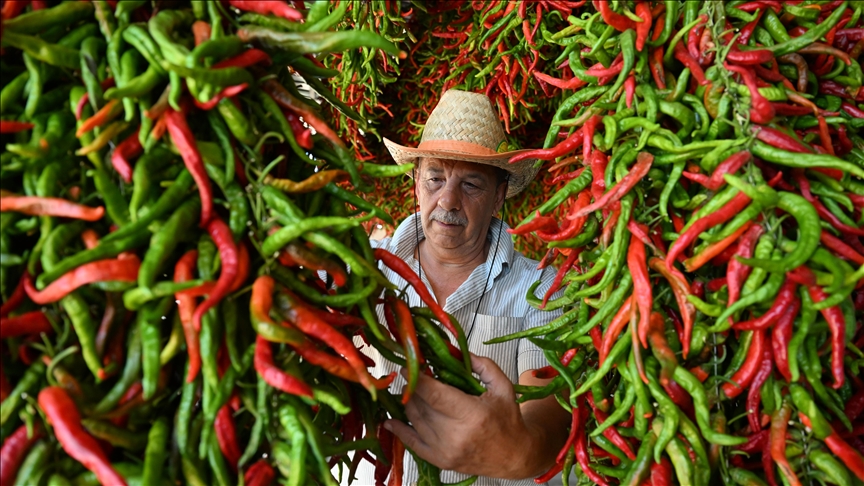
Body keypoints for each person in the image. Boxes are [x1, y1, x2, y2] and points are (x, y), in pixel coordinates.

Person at [353, 90, 571, 486]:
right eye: (435, 178)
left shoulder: (539, 287)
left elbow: (549, 410)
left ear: (499, 195)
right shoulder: (363, 266)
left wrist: (521, 451)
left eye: (471, 184)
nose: (448, 200)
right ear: (416, 182)